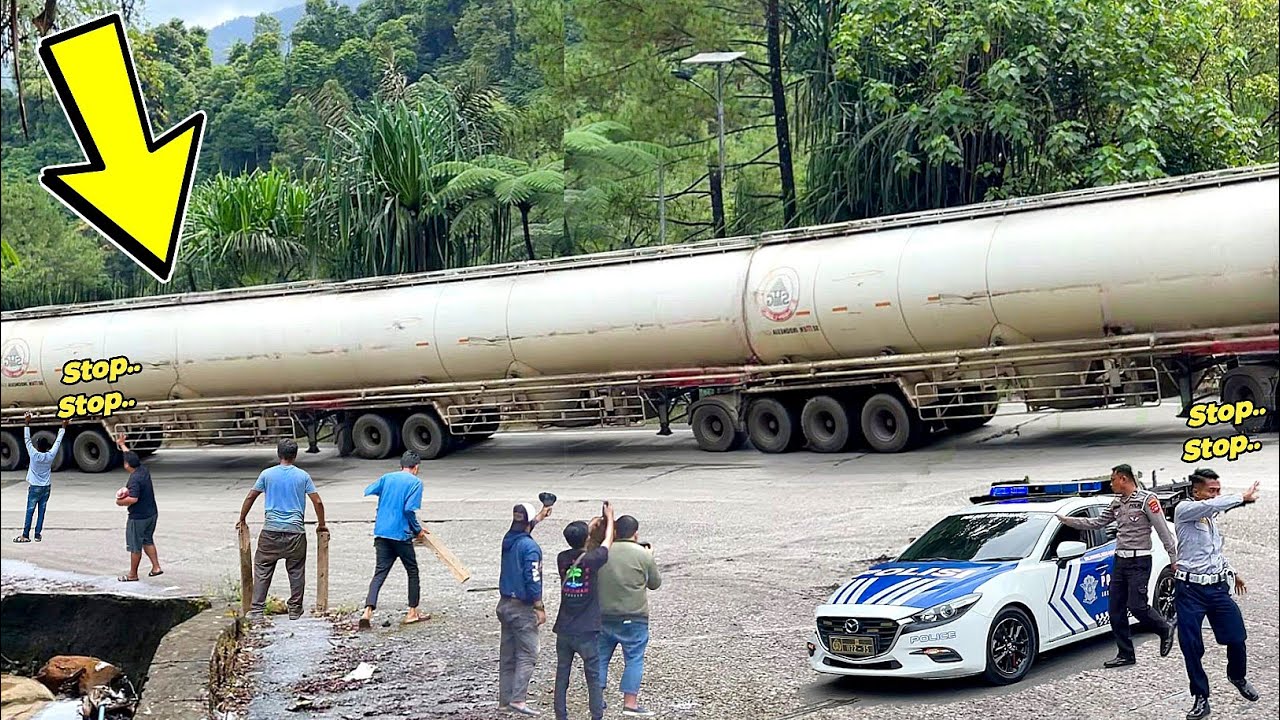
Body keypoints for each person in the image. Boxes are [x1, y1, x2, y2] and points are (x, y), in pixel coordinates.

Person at [1055, 463, 1177, 667]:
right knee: (1115, 609)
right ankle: (1125, 654)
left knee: (1137, 606)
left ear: (1123, 479)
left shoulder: (1147, 500)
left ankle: (1164, 628)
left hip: (1139, 560)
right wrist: (1068, 521)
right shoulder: (1116, 504)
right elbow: (1096, 523)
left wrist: (1173, 558)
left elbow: (1163, 530)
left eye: (1113, 480)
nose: (1111, 484)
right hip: (1120, 561)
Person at [1172, 469, 1261, 720]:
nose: (1216, 495)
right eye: (1211, 491)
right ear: (1196, 491)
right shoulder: (1184, 510)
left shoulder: (1210, 518)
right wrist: (1241, 497)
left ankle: (1237, 675)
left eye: (1218, 490)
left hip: (1216, 587)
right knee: (1191, 646)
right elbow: (1215, 505)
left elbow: (1214, 553)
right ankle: (1201, 697)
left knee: (1236, 636)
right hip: (1189, 590)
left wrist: (1232, 571)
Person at [236, 439, 327, 620]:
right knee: (296, 570)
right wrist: (321, 524)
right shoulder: (303, 476)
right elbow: (317, 501)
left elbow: (251, 496)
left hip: (271, 531)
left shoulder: (267, 475)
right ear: (295, 455)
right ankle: (294, 609)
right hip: (296, 532)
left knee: (263, 567)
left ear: (279, 454)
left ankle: (257, 610)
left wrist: (242, 518)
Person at [554, 502, 615, 720]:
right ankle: (596, 715)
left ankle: (560, 715)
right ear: (586, 539)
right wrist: (609, 517)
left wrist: (587, 529)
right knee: (593, 676)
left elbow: (584, 540)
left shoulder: (562, 558)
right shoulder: (592, 559)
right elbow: (607, 542)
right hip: (587, 628)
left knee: (562, 675)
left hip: (564, 627)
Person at [597, 515, 662, 718]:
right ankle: (630, 703)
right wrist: (650, 556)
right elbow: (654, 583)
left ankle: (597, 699)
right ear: (636, 534)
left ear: (615, 532)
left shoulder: (602, 552)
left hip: (604, 614)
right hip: (635, 616)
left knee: (600, 657)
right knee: (634, 659)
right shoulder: (643, 554)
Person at [359, 451, 428, 628]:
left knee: (379, 573)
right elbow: (408, 511)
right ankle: (412, 612)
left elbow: (368, 491)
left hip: (382, 532)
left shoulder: (387, 478)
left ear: (401, 466)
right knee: (412, 571)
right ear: (416, 467)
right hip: (400, 534)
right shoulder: (415, 483)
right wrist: (418, 530)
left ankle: (367, 611)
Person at [498, 500, 552, 716]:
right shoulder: (530, 548)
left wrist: (540, 516)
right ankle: (519, 700)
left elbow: (524, 528)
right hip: (522, 608)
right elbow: (533, 579)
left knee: (508, 656)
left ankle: (504, 700)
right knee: (528, 654)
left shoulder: (508, 539)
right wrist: (539, 606)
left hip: (504, 605)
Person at [14, 414, 68, 543]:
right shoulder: (50, 455)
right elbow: (58, 442)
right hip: (46, 487)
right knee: (41, 512)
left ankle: (25, 535)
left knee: (30, 511)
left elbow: (27, 439)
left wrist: (27, 423)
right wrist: (63, 427)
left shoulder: (34, 455)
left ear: (37, 446)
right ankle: (37, 534)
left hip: (34, 487)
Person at [114, 444, 162, 582]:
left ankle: (132, 575)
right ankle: (156, 567)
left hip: (138, 517)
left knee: (135, 546)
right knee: (148, 540)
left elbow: (133, 498)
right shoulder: (143, 470)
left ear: (127, 465)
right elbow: (130, 456)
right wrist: (122, 445)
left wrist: (119, 501)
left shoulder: (134, 479)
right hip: (151, 513)